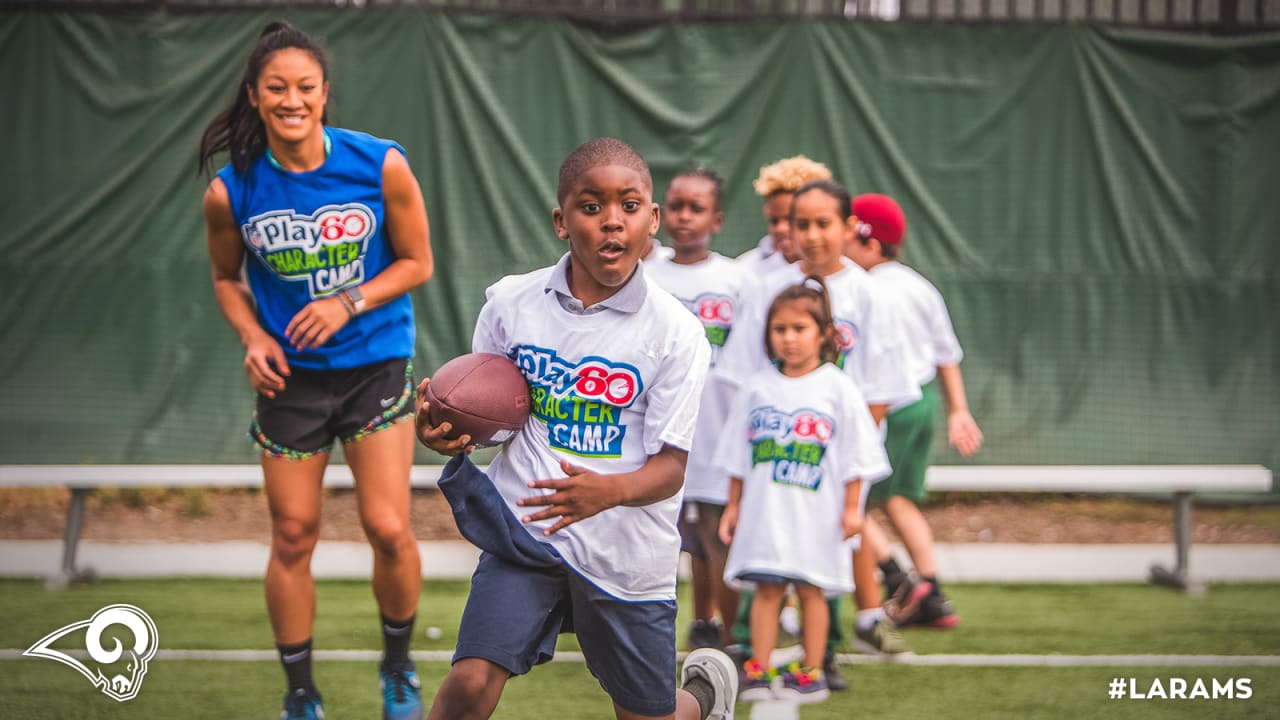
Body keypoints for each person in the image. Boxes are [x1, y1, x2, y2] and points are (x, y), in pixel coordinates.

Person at [415, 137, 738, 720]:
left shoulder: (676, 332)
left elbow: (671, 469)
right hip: (526, 532)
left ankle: (702, 700)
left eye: (630, 205)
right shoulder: (511, 304)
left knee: (649, 716)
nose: (612, 221)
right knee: (467, 684)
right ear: (562, 222)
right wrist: (447, 431)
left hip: (625, 550)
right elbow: (495, 419)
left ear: (652, 221)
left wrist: (606, 491)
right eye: (591, 207)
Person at [198, 22, 433, 720]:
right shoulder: (230, 190)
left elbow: (417, 263)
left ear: (325, 94)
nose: (292, 99)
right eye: (277, 88)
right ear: (255, 96)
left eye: (305, 86)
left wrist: (347, 301)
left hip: (373, 366)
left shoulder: (379, 164)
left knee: (389, 527)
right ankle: (300, 694)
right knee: (294, 534)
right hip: (290, 379)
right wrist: (250, 336)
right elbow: (224, 278)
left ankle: (398, 670)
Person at [717, 179, 920, 678]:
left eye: (822, 223)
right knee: (765, 551)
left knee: (826, 557)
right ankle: (752, 649)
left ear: (849, 227)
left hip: (834, 454)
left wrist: (846, 448)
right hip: (774, 449)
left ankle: (822, 655)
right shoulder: (769, 289)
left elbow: (881, 385)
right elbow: (745, 372)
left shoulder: (872, 296)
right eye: (799, 223)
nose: (810, 235)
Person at [715, 277, 890, 705]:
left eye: (800, 329)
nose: (789, 339)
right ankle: (758, 665)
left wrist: (853, 510)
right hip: (765, 511)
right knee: (767, 587)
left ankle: (811, 668)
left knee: (812, 590)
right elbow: (738, 453)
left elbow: (857, 458)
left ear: (823, 333)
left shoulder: (837, 387)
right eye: (780, 329)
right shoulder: (757, 387)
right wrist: (733, 505)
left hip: (817, 512)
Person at [845, 193, 985, 628]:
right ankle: (934, 595)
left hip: (886, 405)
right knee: (900, 500)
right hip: (921, 402)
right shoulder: (919, 285)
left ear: (869, 242)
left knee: (848, 499)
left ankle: (896, 579)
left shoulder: (860, 289)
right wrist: (957, 409)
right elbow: (947, 353)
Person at [647, 167, 752, 650]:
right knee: (665, 536)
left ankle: (727, 639)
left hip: (717, 431)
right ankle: (691, 625)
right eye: (676, 206)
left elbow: (749, 360)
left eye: (696, 208)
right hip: (657, 428)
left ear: (717, 218)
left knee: (717, 536)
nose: (684, 217)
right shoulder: (645, 271)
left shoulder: (736, 279)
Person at [735, 155, 832, 278]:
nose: (781, 229)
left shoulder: (840, 270)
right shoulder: (745, 269)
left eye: (791, 219)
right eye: (774, 221)